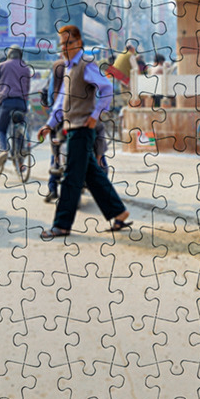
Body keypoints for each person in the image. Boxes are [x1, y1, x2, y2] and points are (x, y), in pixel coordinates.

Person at [37, 25, 131, 239]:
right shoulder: (69, 67)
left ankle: (61, 225)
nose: (64, 48)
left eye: (68, 43)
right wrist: (50, 124)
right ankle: (119, 212)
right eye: (61, 44)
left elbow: (106, 88)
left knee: (71, 177)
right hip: (72, 126)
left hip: (82, 128)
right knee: (93, 175)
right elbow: (61, 100)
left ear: (78, 43)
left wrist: (94, 116)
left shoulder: (86, 63)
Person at [0, 46, 32, 166]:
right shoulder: (26, 68)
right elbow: (27, 89)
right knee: (20, 126)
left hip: (7, 102)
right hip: (21, 103)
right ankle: (21, 159)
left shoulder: (1, 66)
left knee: (1, 129)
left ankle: (3, 150)